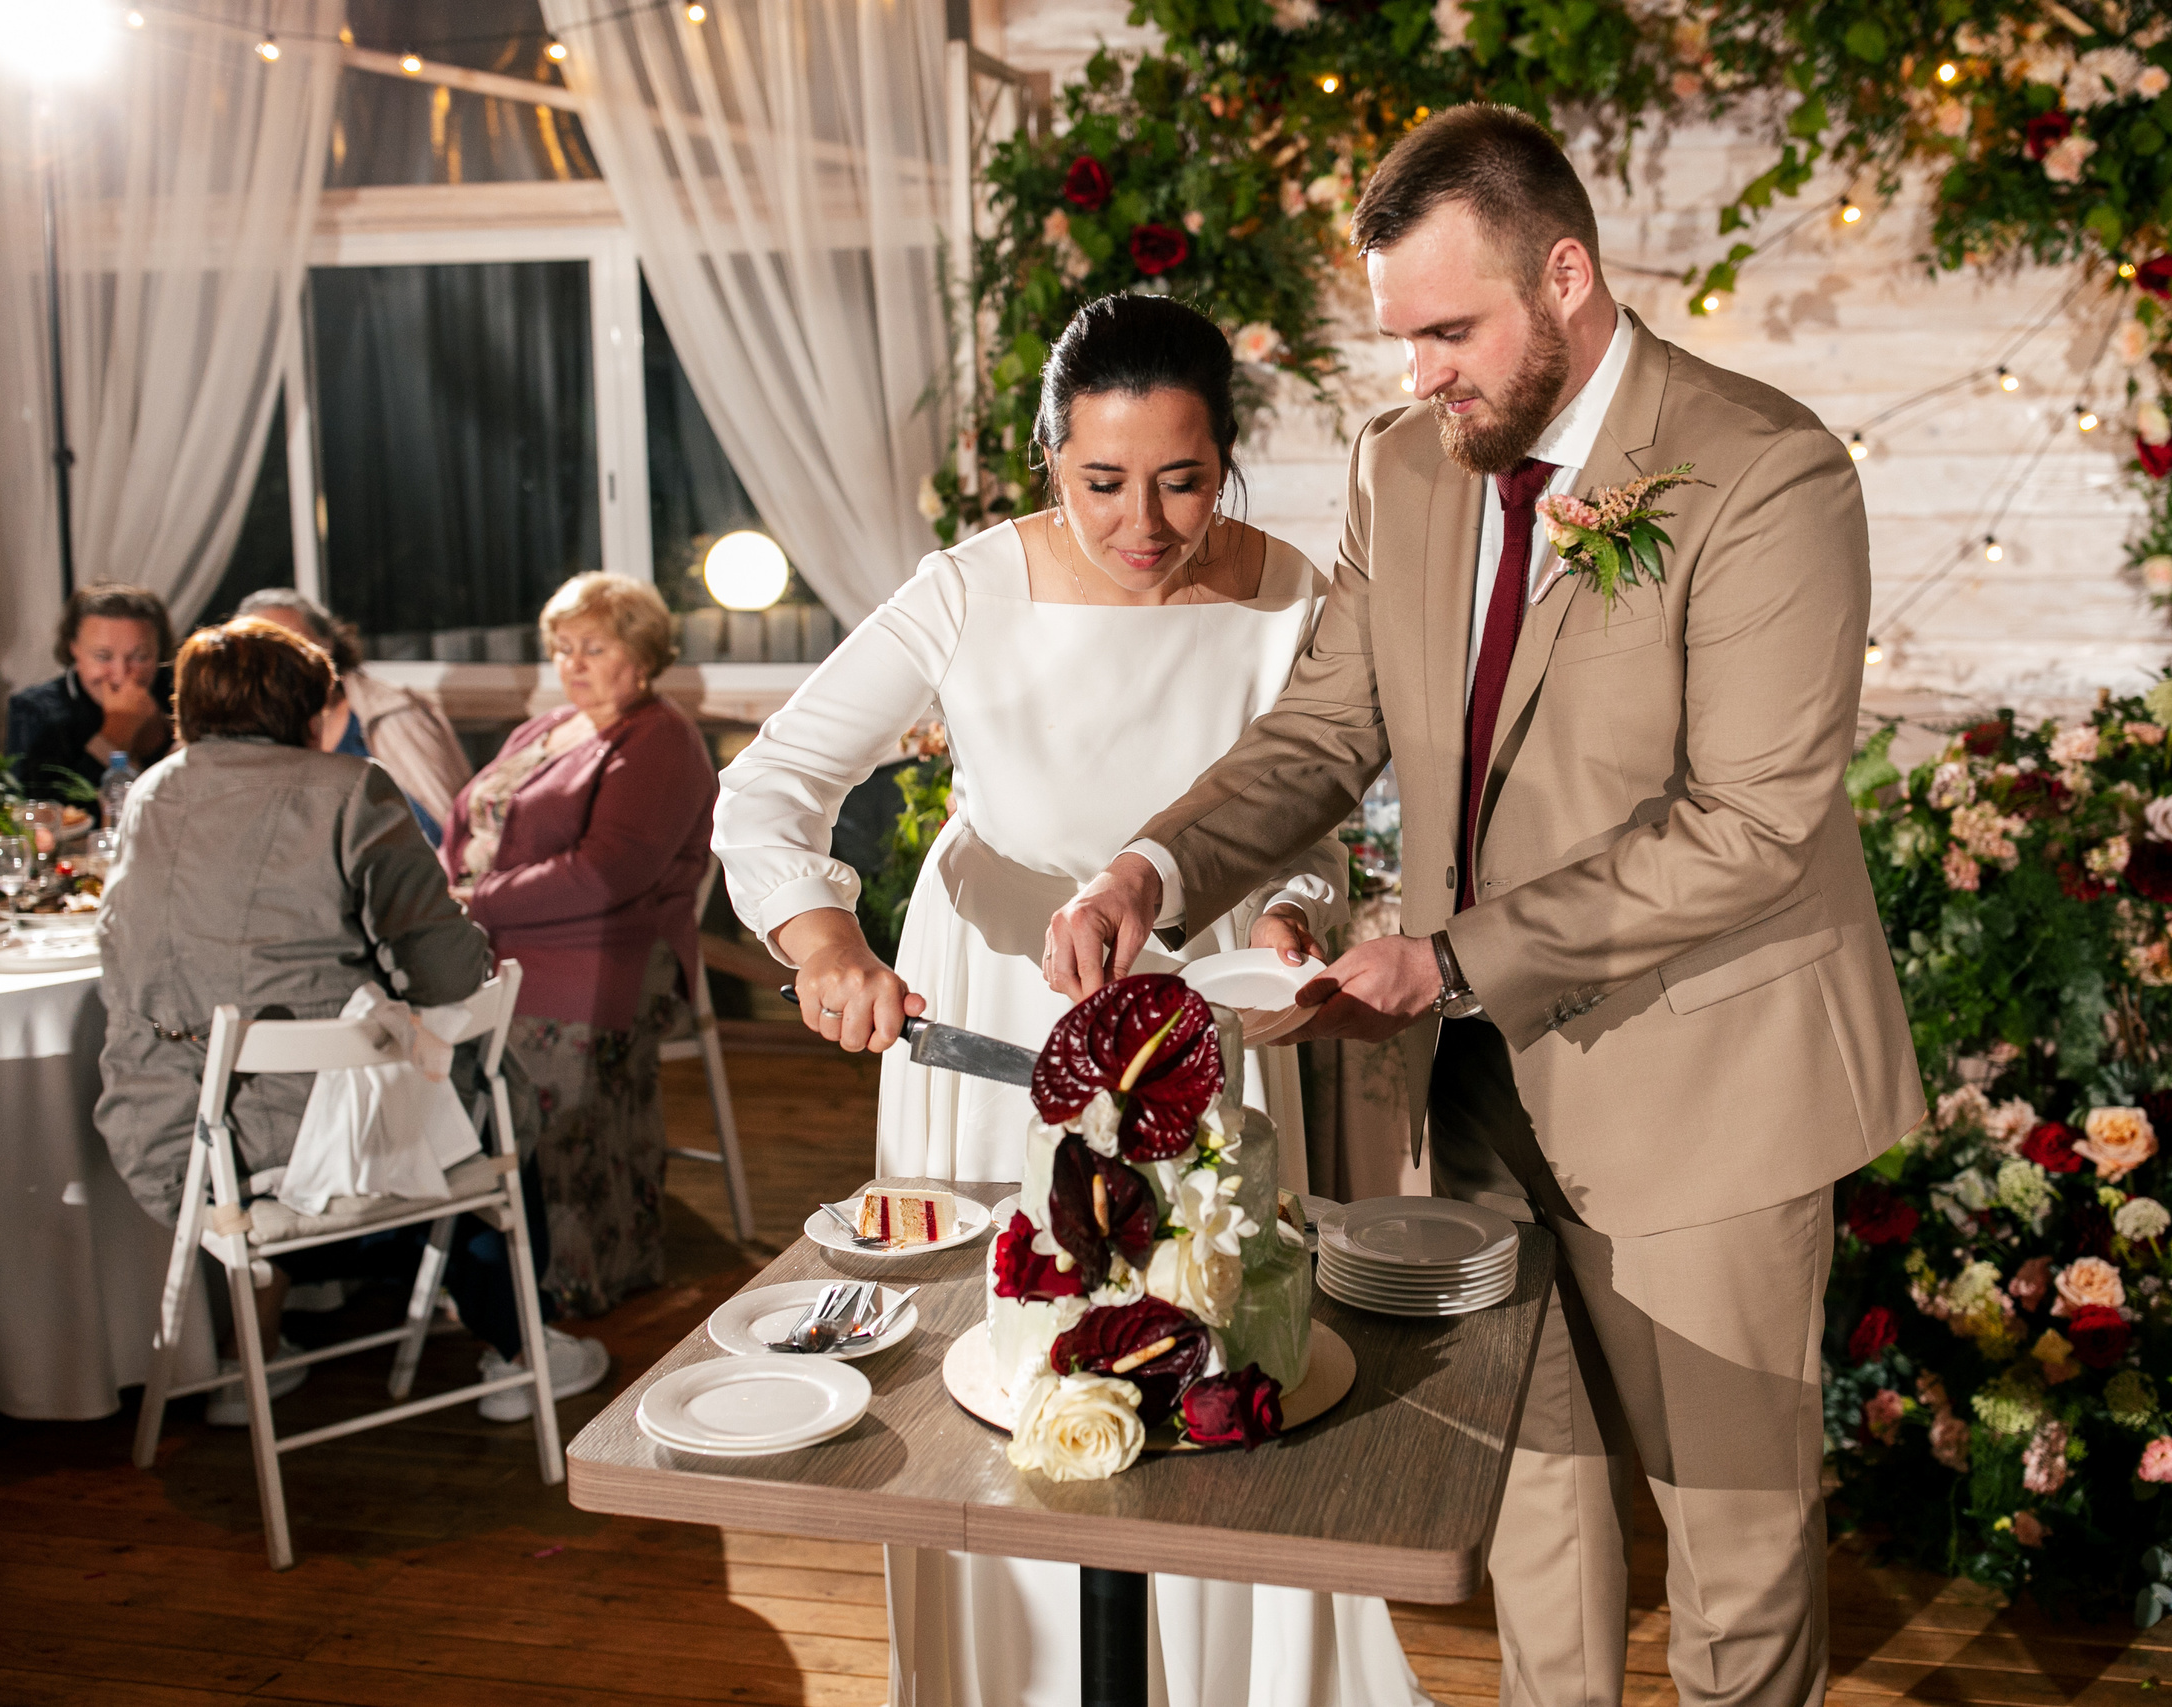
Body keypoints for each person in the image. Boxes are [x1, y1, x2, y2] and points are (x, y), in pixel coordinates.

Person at [1049, 108, 1925, 1707]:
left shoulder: (1766, 470)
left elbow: (1750, 824)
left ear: (1569, 276)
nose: (1420, 375)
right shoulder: (1406, 469)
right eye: (1401, 337)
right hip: (1477, 1092)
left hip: (1709, 1097)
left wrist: (1446, 955)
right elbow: (1324, 728)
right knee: (1534, 1513)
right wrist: (1150, 870)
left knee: (1731, 1555)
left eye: (1450, 330)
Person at [713, 293, 1427, 1707]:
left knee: (1212, 1324)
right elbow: (773, 783)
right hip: (994, 987)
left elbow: (1305, 816)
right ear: (1052, 461)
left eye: (1181, 477)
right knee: (1012, 1355)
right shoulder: (968, 585)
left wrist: (1291, 914)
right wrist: (824, 944)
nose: (1143, 519)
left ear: (1228, 458)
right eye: (1103, 481)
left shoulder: (1292, 590)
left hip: (1197, 1001)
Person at [96, 618, 610, 1426]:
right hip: (332, 1142)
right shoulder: (348, 788)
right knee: (487, 1079)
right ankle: (519, 1351)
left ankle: (253, 1357)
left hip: (178, 1133)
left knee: (369, 1071)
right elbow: (450, 969)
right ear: (309, 706)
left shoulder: (153, 790)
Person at [441, 573, 719, 1318]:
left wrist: (475, 901)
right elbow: (466, 821)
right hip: (497, 944)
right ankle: (477, 1270)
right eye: (563, 648)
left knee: (537, 1092)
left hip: (604, 952)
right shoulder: (544, 728)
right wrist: (444, 895)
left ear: (643, 655)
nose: (575, 663)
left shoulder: (660, 737)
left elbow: (606, 873)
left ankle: (570, 1277)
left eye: (594, 647)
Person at [235, 587, 473, 843]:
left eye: (297, 645)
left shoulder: (392, 712)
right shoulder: (241, 736)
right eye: (267, 653)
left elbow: (450, 822)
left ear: (327, 643)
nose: (285, 663)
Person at [5, 582, 176, 805]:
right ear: (73, 648)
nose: (120, 674)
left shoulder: (180, 696)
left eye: (140, 656)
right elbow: (39, 813)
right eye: (103, 657)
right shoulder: (34, 711)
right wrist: (115, 735)